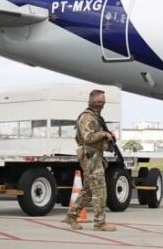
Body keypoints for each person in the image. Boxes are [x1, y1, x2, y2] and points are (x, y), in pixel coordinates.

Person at [63, 89, 117, 232]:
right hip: (90, 156)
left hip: (94, 156)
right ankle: (99, 223)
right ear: (92, 101)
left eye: (103, 102)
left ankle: (71, 216)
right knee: (100, 190)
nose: (102, 104)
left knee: (87, 190)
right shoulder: (88, 117)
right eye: (99, 101)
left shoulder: (96, 116)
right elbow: (88, 137)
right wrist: (103, 133)